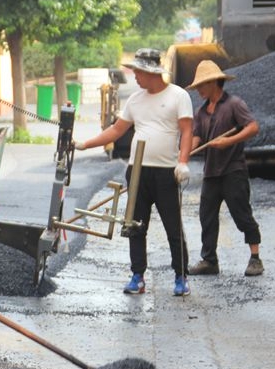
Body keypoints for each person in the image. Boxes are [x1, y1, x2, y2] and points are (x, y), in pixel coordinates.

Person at [74, 48, 194, 296]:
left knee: (172, 226)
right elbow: (117, 130)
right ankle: (137, 276)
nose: (135, 77)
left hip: (166, 171)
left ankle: (181, 276)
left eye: (138, 72)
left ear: (151, 72)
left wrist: (182, 162)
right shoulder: (135, 100)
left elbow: (187, 131)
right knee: (135, 225)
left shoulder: (178, 96)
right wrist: (86, 144)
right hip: (137, 171)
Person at [186, 60, 264, 277]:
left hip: (233, 170)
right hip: (211, 172)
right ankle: (209, 260)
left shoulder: (234, 104)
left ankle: (255, 258)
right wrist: (185, 152)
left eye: (201, 85)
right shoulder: (201, 112)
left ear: (213, 82)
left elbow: (253, 127)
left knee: (242, 214)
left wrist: (228, 141)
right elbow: (197, 136)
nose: (199, 90)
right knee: (207, 216)